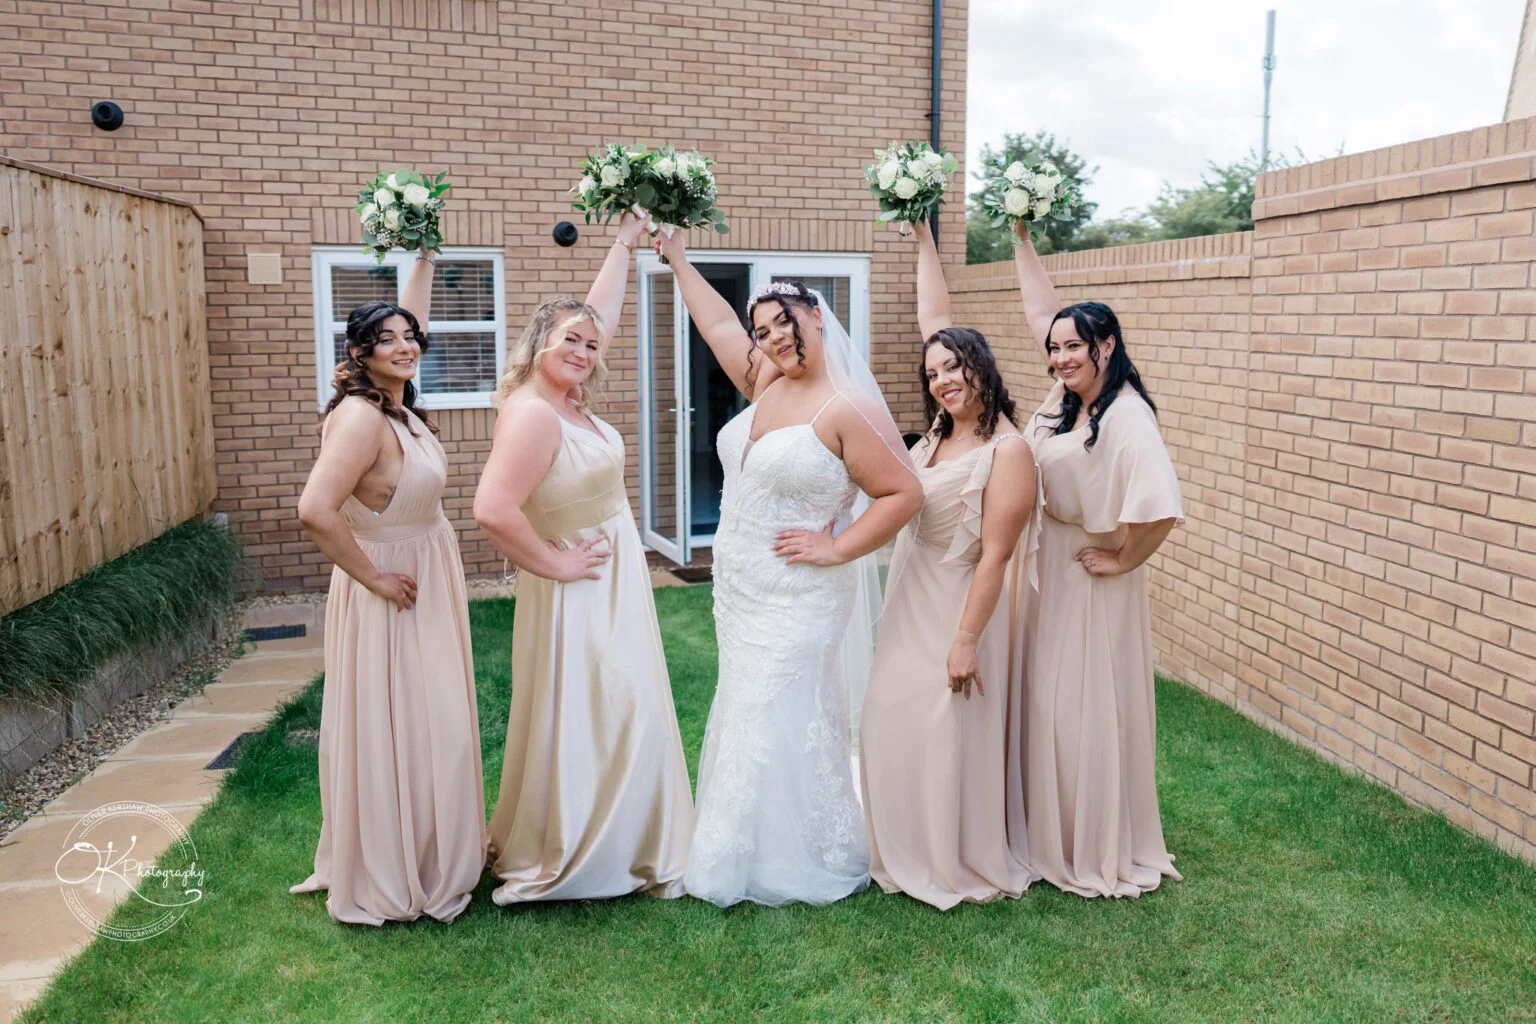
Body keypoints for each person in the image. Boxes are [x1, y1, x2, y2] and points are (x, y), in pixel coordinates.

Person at [656, 227, 924, 908]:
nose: (772, 338)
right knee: (746, 702)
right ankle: (747, 842)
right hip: (741, 589)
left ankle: (791, 856)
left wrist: (837, 548)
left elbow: (903, 492)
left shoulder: (848, 409)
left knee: (778, 706)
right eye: (763, 329)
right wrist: (678, 259)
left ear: (815, 317)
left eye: (783, 323)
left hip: (801, 590)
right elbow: (715, 323)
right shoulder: (769, 381)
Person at [474, 212, 694, 903]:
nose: (585, 350)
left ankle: (630, 834)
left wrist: (624, 245)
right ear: (539, 341)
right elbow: (492, 509)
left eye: (592, 345)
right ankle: (585, 843)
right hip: (580, 582)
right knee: (601, 702)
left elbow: (600, 315)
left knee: (619, 701)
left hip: (611, 572)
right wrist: (554, 565)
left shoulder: (566, 399)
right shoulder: (535, 412)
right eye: (570, 339)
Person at [292, 249, 486, 926]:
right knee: (406, 724)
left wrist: (424, 259)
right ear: (359, 352)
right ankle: (400, 862)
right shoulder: (361, 418)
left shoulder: (399, 407)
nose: (405, 347)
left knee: (437, 724)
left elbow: (411, 324)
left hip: (428, 573)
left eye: (411, 337)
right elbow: (315, 508)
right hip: (391, 587)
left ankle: (435, 843)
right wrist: (374, 578)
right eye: (387, 339)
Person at [860, 220, 1037, 910]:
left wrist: (965, 639)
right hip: (910, 596)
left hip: (957, 604)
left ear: (980, 366)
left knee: (942, 726)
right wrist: (921, 236)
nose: (941, 381)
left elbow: (998, 553)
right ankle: (897, 843)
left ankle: (946, 856)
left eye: (953, 368)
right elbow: (932, 316)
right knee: (887, 717)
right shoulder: (937, 432)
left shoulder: (1009, 451)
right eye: (932, 373)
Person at [1013, 222, 1185, 898]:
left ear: (1106, 345)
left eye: (1072, 347)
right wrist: (1022, 235)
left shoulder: (1126, 418)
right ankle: (1049, 822)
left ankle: (1087, 839)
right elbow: (1039, 312)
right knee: (1049, 700)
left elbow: (1163, 508)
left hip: (1088, 577)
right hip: (1052, 565)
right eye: (1055, 349)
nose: (1058, 357)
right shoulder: (1072, 399)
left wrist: (1122, 559)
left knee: (1076, 708)